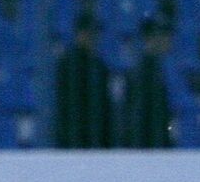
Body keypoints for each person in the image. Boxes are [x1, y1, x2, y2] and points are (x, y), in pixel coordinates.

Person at [53, 11, 113, 149]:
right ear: (78, 34)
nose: (92, 37)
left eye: (95, 33)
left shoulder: (99, 65)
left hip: (96, 136)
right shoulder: (68, 64)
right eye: (87, 33)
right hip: (73, 137)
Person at [119, 13, 175, 149]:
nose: (169, 39)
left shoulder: (154, 67)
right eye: (164, 35)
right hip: (147, 149)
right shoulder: (144, 71)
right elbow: (138, 118)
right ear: (150, 38)